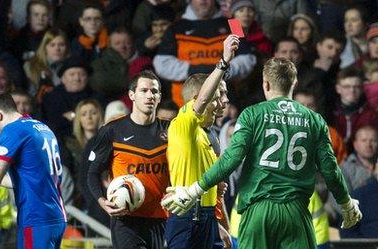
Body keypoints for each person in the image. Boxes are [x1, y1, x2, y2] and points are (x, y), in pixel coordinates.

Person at [161, 57, 363, 248]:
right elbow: (330, 169)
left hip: (258, 212)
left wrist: (195, 189)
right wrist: (346, 204)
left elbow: (231, 159)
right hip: (297, 213)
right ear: (294, 83)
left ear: (265, 84)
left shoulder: (252, 114)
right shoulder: (315, 120)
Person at [0, 91, 67, 248]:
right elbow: (29, 179)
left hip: (35, 216)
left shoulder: (13, 131)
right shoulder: (41, 127)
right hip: (56, 216)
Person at [162, 35, 237, 249]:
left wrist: (220, 225)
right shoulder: (182, 124)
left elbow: (216, 190)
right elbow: (203, 99)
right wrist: (223, 62)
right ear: (198, 97)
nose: (224, 101)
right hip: (185, 216)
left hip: (206, 217)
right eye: (219, 95)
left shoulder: (209, 136)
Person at [87, 70, 170, 248]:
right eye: (144, 90)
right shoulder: (112, 130)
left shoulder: (171, 130)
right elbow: (93, 173)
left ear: (160, 97)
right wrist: (103, 202)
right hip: (125, 218)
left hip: (160, 217)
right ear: (132, 95)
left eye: (154, 91)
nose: (150, 95)